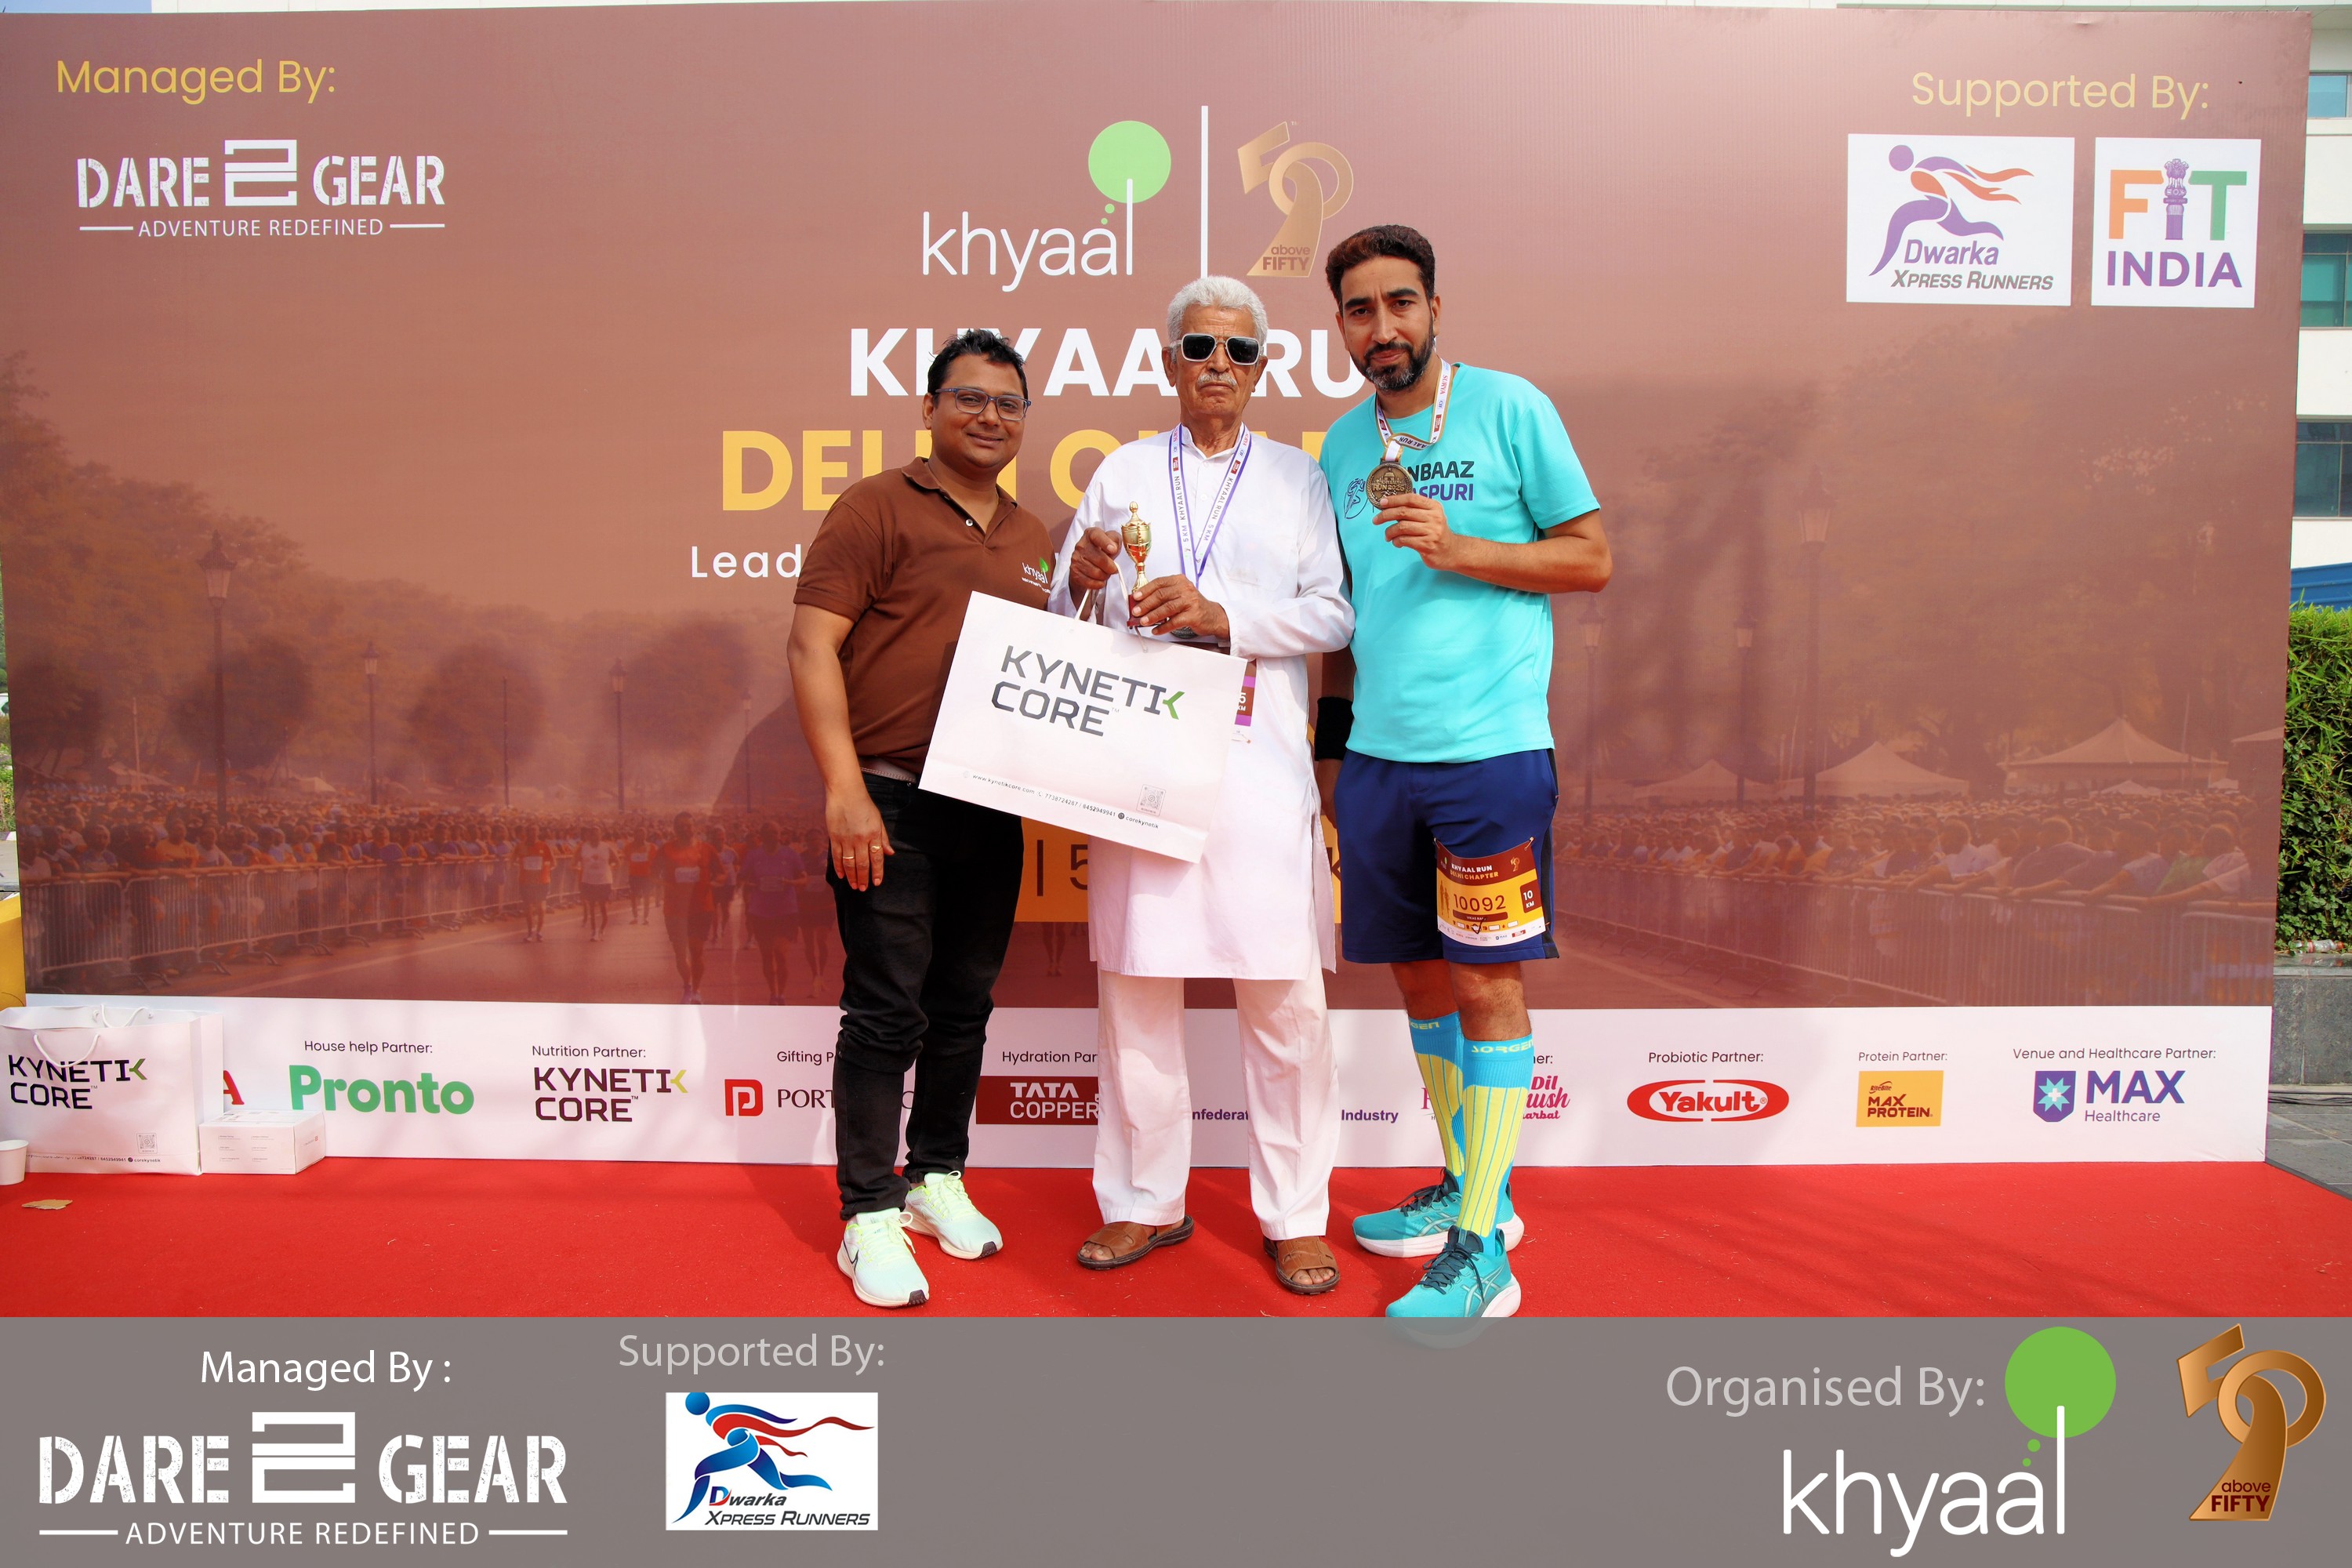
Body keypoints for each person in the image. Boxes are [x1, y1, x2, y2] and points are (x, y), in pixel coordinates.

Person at [1316, 225, 1610, 1318]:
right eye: (1360, 309)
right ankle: (1468, 1185)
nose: (1382, 326)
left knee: (1487, 983)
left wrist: (1462, 549)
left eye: (1400, 302)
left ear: (1435, 309)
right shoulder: (1343, 447)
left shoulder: (1510, 407)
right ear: (1341, 327)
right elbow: (1344, 618)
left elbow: (1592, 557)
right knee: (1418, 979)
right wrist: (1333, 756)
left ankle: (1484, 1247)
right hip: (1380, 763)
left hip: (1489, 756)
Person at [1052, 276, 1354, 1296]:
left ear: (1262, 366)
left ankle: (1296, 1214)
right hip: (1142, 765)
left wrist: (1223, 616)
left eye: (1238, 349)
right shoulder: (1123, 471)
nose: (1218, 364)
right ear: (1168, 360)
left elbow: (1334, 615)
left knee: (1284, 1000)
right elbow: (1068, 617)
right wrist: (1084, 577)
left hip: (1258, 771)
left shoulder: (1298, 479)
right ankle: (1145, 1199)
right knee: (1137, 989)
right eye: (1199, 347)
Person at [788, 328, 1049, 1310]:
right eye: (969, 398)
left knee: (963, 1004)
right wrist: (845, 789)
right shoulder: (874, 505)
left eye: (1008, 403)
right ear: (930, 409)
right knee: (886, 1008)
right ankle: (868, 1209)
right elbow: (811, 647)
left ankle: (936, 1173)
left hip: (991, 803)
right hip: (888, 796)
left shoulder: (1034, 537)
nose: (990, 416)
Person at [653, 811, 716, 1001]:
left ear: (694, 827)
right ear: (674, 828)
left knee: (696, 951)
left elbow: (721, 873)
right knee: (680, 953)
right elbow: (653, 875)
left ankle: (696, 990)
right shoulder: (665, 850)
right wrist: (667, 885)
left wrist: (712, 883)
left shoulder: (706, 849)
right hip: (675, 909)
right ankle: (687, 985)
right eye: (680, 826)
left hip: (700, 907)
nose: (684, 829)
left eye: (688, 826)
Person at [742, 822, 801, 1004]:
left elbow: (804, 879)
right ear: (762, 835)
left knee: (780, 953)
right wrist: (753, 885)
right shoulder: (753, 856)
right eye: (767, 832)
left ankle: (781, 994)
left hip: (785, 910)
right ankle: (773, 993)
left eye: (775, 832)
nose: (771, 836)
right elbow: (743, 878)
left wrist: (790, 883)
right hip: (761, 912)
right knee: (767, 954)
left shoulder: (790, 854)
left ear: (780, 835)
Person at [515, 822, 555, 942]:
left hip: (541, 881)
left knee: (541, 908)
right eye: (529, 830)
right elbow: (512, 860)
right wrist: (520, 865)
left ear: (538, 832)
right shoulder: (521, 846)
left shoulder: (544, 846)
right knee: (528, 908)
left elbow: (553, 863)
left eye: (534, 830)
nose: (532, 833)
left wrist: (544, 868)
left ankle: (539, 931)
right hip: (526, 881)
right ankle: (529, 933)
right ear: (526, 833)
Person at [578, 827, 615, 940]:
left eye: (597, 834)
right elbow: (575, 861)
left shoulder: (606, 847)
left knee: (603, 907)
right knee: (592, 907)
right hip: (589, 880)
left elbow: (617, 862)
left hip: (604, 881)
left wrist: (609, 868)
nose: (595, 836)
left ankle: (602, 929)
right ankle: (594, 931)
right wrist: (577, 867)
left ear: (601, 835)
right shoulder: (584, 847)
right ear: (590, 836)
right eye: (593, 834)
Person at [625, 829, 656, 924]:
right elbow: (626, 860)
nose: (640, 837)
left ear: (646, 836)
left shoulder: (651, 847)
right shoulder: (628, 847)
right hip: (634, 875)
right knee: (634, 896)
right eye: (638, 835)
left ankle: (646, 917)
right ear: (635, 835)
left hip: (647, 875)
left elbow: (655, 861)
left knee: (647, 896)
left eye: (643, 835)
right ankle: (635, 916)